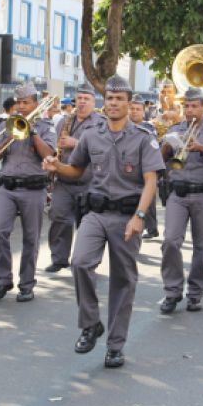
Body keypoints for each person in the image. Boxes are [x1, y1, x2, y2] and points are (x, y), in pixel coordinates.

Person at [43, 75, 165, 368]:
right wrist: (56, 166)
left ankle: (115, 345)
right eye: (109, 98)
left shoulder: (143, 138)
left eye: (119, 99)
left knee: (123, 281)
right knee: (80, 262)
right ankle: (90, 324)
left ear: (129, 103)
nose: (113, 103)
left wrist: (139, 216)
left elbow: (151, 181)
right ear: (104, 101)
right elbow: (76, 170)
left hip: (127, 217)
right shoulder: (91, 136)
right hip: (95, 213)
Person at [159, 88, 203, 313]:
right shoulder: (175, 129)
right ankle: (172, 291)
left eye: (194, 106)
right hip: (178, 193)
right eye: (186, 106)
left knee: (201, 246)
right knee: (171, 241)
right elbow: (160, 160)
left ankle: (195, 293)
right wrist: (167, 145)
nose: (190, 110)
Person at [0, 83, 56, 302]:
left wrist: (32, 131)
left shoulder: (46, 126)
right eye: (18, 102)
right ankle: (3, 280)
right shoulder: (7, 125)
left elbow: (49, 154)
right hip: (7, 187)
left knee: (31, 238)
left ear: (35, 103)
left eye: (26, 102)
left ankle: (26, 284)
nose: (21, 106)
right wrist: (10, 135)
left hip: (33, 188)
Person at [45, 83, 107, 273]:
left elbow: (104, 149)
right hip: (64, 179)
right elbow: (56, 145)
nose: (81, 102)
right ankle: (59, 258)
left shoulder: (101, 122)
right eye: (79, 98)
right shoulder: (65, 121)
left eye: (86, 99)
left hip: (89, 181)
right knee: (58, 217)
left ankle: (86, 262)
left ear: (93, 101)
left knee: (88, 225)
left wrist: (76, 143)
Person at [129, 93, 161, 239]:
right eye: (132, 108)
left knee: (149, 203)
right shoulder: (122, 126)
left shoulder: (148, 128)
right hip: (128, 172)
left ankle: (151, 228)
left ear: (143, 111)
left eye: (137, 109)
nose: (134, 111)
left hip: (145, 170)